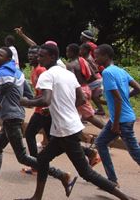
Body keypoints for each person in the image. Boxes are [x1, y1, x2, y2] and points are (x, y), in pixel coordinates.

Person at [18, 44, 134, 200]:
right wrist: (60, 106)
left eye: (41, 56)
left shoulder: (47, 75)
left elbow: (45, 100)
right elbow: (80, 98)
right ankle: (37, 196)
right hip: (69, 126)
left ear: (52, 57)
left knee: (86, 172)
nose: (39, 59)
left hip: (66, 130)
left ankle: (125, 197)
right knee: (43, 158)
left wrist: (26, 102)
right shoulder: (67, 74)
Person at [0, 46, 76, 196]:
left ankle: (61, 174)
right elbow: (29, 95)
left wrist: (1, 114)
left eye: (0, 55)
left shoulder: (1, 74)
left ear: (8, 59)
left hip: (10, 119)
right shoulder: (19, 74)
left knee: (22, 157)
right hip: (17, 116)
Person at [94, 44, 140, 186]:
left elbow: (118, 99)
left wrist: (115, 124)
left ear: (106, 56)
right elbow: (138, 88)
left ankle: (112, 181)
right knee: (100, 142)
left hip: (121, 120)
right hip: (124, 117)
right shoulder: (120, 71)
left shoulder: (107, 73)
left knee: (135, 153)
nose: (95, 58)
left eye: (97, 55)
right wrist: (127, 95)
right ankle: (112, 181)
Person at [80, 42, 105, 115]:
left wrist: (87, 76)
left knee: (83, 94)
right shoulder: (86, 58)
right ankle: (100, 110)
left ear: (85, 50)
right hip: (95, 79)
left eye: (81, 50)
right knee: (94, 97)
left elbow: (95, 69)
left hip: (95, 80)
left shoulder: (88, 59)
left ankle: (85, 113)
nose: (80, 51)